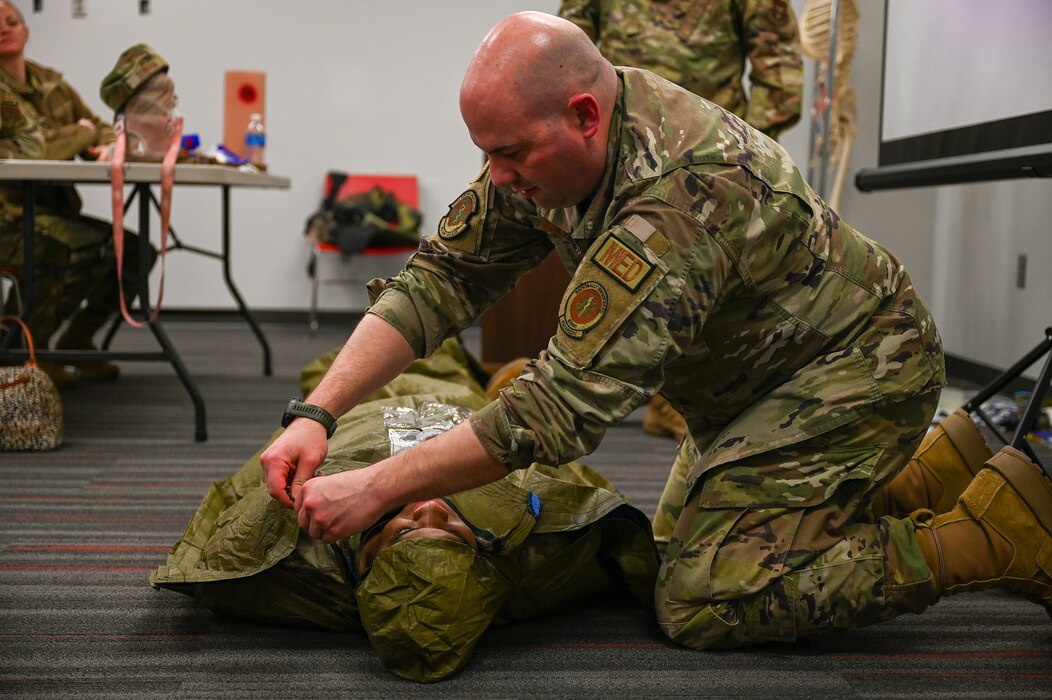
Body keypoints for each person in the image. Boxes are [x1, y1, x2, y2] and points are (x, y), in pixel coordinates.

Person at [260, 12, 1052, 651]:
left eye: (508, 153)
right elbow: (441, 276)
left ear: (583, 117)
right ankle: (924, 475)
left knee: (707, 598)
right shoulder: (555, 142)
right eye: (485, 154)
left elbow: (555, 411)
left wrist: (376, 487)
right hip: (749, 392)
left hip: (855, 374)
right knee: (661, 554)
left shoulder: (678, 198)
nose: (496, 176)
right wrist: (317, 414)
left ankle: (990, 535)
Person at [151, 339, 659, 683]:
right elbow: (594, 506)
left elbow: (222, 538)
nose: (431, 507)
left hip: (360, 418)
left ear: (370, 556)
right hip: (463, 413)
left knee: (335, 366)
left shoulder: (300, 572)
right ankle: (498, 382)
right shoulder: (530, 564)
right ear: (479, 558)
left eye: (407, 529)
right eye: (450, 529)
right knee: (447, 363)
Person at [557, 0, 804, 438]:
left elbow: (779, 71)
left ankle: (684, 398)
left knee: (698, 283)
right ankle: (645, 392)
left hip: (706, 157)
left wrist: (739, 154)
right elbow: (568, 50)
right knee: (625, 271)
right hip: (619, 146)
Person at [0, 0, 152, 387]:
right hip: (10, 216)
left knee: (135, 250)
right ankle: (28, 354)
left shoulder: (50, 82)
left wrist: (100, 140)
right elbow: (31, 149)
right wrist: (80, 133)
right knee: (65, 247)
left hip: (53, 210)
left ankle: (77, 340)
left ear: (26, 29)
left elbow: (103, 128)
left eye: (12, 20)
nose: (5, 28)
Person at [558, 0, 803, 141]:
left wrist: (748, 147)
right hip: (618, 139)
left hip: (713, 144)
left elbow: (779, 67)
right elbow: (567, 55)